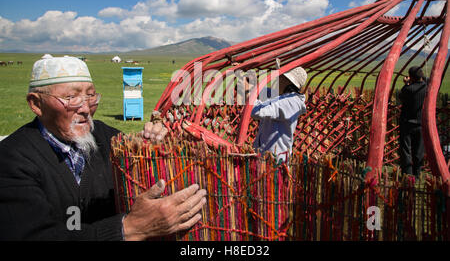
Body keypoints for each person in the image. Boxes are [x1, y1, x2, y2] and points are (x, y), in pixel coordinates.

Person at [0, 56, 206, 240]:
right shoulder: (11, 159)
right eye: (71, 98)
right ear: (36, 104)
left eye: (91, 96)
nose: (85, 108)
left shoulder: (110, 139)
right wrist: (129, 229)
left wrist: (153, 143)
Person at [251, 66, 307, 164]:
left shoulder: (290, 102)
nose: (277, 80)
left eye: (280, 77)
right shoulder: (283, 97)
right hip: (265, 156)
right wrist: (250, 86)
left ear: (287, 82)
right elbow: (265, 92)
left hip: (275, 160)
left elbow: (256, 112)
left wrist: (249, 95)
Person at [398, 66, 428, 178]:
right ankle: (417, 173)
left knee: (406, 150)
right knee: (419, 150)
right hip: (421, 123)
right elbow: (426, 80)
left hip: (407, 123)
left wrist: (407, 83)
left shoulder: (408, 89)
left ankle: (407, 174)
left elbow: (401, 96)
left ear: (411, 77)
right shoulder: (427, 87)